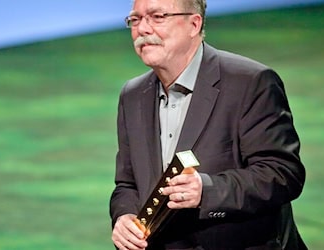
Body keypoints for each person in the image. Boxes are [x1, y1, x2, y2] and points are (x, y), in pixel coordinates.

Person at [109, 0, 307, 249]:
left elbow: (282, 173)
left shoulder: (250, 82)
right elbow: (127, 184)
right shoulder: (132, 94)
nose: (143, 29)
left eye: (157, 16)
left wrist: (207, 190)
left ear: (194, 24)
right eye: (135, 20)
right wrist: (124, 216)